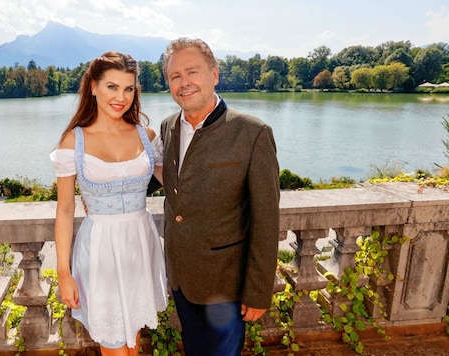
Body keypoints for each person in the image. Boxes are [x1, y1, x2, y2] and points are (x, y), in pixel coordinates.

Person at [158, 37, 281, 355]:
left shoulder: (252, 133)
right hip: (182, 279)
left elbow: (266, 219)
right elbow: (170, 188)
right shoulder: (167, 127)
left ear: (214, 74)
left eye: (192, 72)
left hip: (226, 284)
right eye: (175, 76)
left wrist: (257, 291)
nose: (184, 83)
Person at [49, 51, 168, 356]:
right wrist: (64, 273)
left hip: (140, 244)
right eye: (112, 87)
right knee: (114, 343)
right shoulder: (73, 142)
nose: (121, 97)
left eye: (129, 88)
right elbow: (64, 211)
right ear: (93, 87)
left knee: (133, 342)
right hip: (100, 249)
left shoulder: (147, 135)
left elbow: (178, 184)